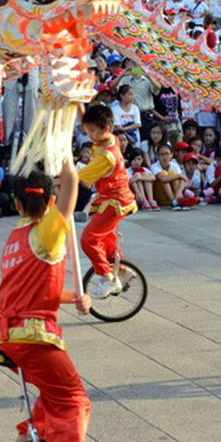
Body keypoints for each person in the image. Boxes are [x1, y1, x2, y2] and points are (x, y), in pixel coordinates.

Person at [0, 158, 98, 442]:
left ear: (17, 203)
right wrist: (64, 156)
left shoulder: (16, 237)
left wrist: (73, 297)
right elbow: (72, 185)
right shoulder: (50, 229)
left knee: (51, 398)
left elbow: (36, 289)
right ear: (51, 203)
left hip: (8, 334)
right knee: (73, 401)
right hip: (34, 336)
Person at [77, 105, 137, 298]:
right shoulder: (110, 138)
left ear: (106, 129)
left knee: (89, 239)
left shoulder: (106, 156)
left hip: (115, 200)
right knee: (105, 236)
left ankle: (107, 277)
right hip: (110, 197)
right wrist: (77, 101)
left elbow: (81, 177)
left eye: (92, 131)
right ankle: (121, 271)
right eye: (87, 130)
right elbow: (85, 119)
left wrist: (54, 178)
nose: (89, 135)